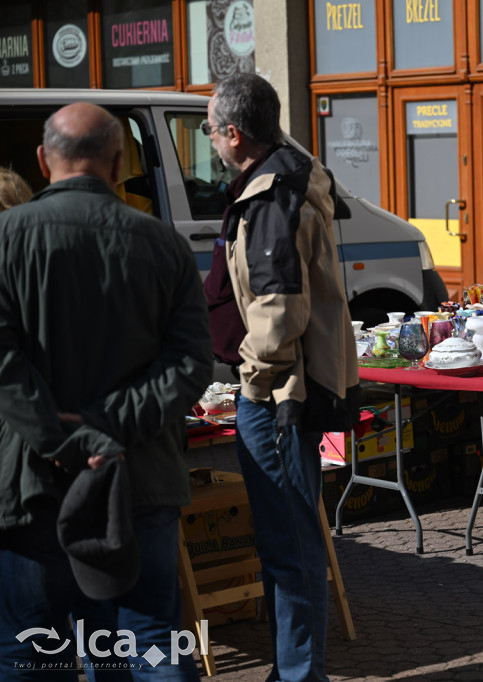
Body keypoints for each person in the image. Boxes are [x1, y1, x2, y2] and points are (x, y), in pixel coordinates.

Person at [0, 103, 213, 679]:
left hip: (33, 485)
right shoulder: (164, 245)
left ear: (44, 161)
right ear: (119, 163)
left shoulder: (6, 238)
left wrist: (65, 436)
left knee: (32, 651)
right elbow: (194, 362)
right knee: (149, 644)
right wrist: (107, 427)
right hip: (137, 477)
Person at [207, 73, 359, 681]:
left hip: (276, 395)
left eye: (213, 131)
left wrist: (250, 375)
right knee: (285, 542)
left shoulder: (272, 196)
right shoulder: (280, 178)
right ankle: (292, 668)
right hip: (277, 390)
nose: (213, 142)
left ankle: (300, 674)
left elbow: (279, 312)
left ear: (235, 134)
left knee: (290, 544)